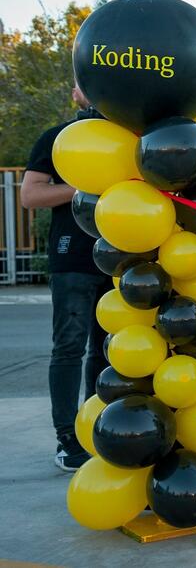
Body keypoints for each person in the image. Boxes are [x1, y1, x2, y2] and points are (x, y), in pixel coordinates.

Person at [22, 84, 112, 471]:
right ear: (76, 93)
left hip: (119, 258)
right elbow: (30, 195)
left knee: (106, 351)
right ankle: (67, 439)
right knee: (69, 348)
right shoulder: (58, 138)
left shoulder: (128, 139)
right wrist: (82, 185)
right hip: (71, 258)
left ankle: (99, 429)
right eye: (84, 86)